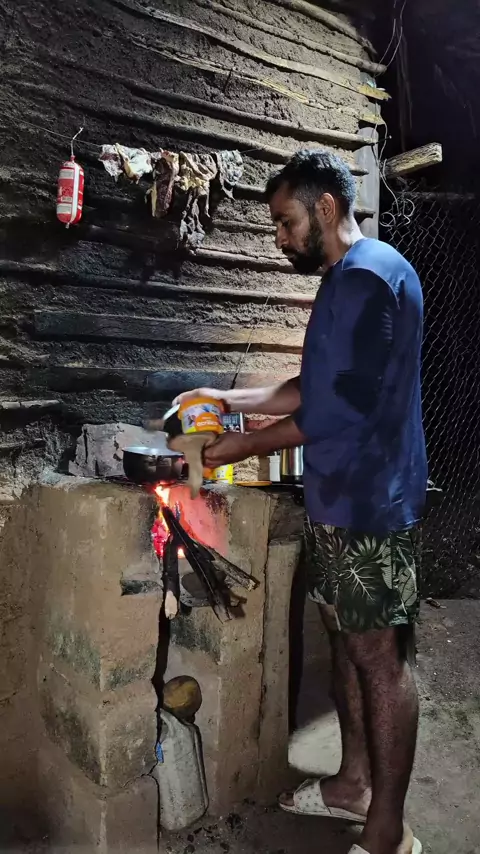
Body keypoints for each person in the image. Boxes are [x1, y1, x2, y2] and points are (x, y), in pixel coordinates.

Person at [174, 150, 427, 854]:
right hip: (338, 497)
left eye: (285, 222)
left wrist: (238, 445)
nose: (280, 238)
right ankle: (352, 781)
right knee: (347, 643)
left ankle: (388, 830)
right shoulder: (353, 274)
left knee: (380, 658)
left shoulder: (367, 278)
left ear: (325, 207)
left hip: (370, 503)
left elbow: (337, 410)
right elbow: (309, 388)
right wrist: (227, 400)